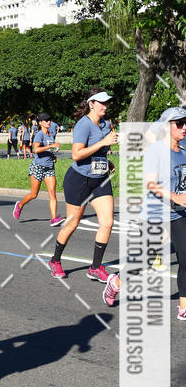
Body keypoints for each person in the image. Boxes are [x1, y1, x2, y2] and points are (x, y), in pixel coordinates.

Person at [48, 89, 118, 281]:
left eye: (107, 102)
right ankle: (55, 260)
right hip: (79, 179)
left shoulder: (105, 124)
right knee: (72, 224)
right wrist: (103, 141)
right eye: (101, 103)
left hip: (100, 179)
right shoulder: (83, 125)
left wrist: (107, 161)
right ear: (91, 104)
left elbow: (99, 151)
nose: (105, 106)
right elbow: (76, 155)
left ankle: (95, 267)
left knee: (107, 222)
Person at [143, 107, 186, 319]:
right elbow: (150, 183)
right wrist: (175, 197)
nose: (184, 127)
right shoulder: (156, 151)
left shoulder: (184, 152)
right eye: (179, 123)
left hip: (177, 213)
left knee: (185, 257)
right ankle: (116, 282)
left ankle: (183, 307)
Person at [13, 112, 64, 225]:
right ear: (41, 123)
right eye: (46, 120)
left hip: (49, 167)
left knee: (52, 194)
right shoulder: (39, 134)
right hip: (38, 167)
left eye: (49, 120)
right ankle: (20, 205)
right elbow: (36, 150)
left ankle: (54, 218)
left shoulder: (50, 134)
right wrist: (51, 146)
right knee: (34, 194)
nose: (49, 122)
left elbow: (46, 150)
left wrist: (53, 155)